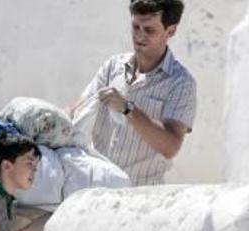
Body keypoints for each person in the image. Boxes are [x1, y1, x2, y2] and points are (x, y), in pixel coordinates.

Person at [73, 0, 197, 186]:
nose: (139, 36)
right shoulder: (112, 66)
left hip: (140, 197)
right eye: (135, 27)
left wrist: (128, 108)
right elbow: (78, 109)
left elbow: (170, 146)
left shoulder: (182, 82)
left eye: (149, 30)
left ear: (170, 31)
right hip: (96, 190)